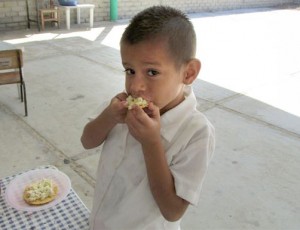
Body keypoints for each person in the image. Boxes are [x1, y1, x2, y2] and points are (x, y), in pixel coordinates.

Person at [81, 5, 215, 230]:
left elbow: (172, 211)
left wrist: (151, 142)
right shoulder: (118, 107)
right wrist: (109, 117)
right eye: (129, 70)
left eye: (152, 72)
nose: (135, 86)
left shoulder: (197, 132)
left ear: (188, 73)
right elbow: (87, 141)